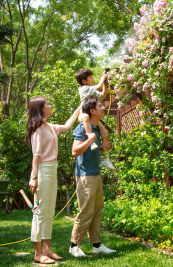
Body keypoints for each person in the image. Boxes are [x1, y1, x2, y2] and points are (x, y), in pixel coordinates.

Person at [25, 96, 81, 264]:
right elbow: (36, 156)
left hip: (51, 169)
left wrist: (80, 105)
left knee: (49, 212)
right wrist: (34, 178)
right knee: (39, 213)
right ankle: (38, 253)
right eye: (48, 104)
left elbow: (68, 125)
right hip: (42, 171)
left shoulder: (49, 127)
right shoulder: (38, 130)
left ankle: (47, 249)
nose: (50, 106)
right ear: (41, 109)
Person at [69, 97, 116, 257]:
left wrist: (103, 148)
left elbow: (91, 149)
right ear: (92, 111)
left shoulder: (96, 129)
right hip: (85, 175)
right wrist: (89, 141)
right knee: (86, 211)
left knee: (97, 210)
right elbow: (75, 152)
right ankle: (74, 245)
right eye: (99, 105)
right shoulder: (83, 128)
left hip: (95, 173)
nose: (103, 107)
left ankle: (96, 245)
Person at [75, 68, 115, 169]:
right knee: (85, 116)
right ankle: (91, 141)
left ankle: (106, 158)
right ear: (84, 81)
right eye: (91, 77)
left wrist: (105, 83)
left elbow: (103, 94)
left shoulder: (91, 90)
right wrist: (102, 78)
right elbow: (98, 87)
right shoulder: (84, 88)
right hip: (83, 115)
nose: (93, 79)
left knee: (105, 135)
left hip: (93, 118)